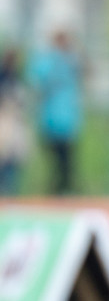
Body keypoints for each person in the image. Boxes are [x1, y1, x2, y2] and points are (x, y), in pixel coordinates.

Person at [27, 31, 82, 195]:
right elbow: (36, 81)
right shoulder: (50, 61)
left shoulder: (69, 60)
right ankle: (58, 189)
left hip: (64, 119)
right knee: (58, 160)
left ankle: (62, 189)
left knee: (65, 160)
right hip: (54, 119)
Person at [0, 47, 29, 195]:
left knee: (13, 162)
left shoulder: (17, 77)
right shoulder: (3, 78)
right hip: (4, 121)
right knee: (4, 160)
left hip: (15, 123)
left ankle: (10, 193)